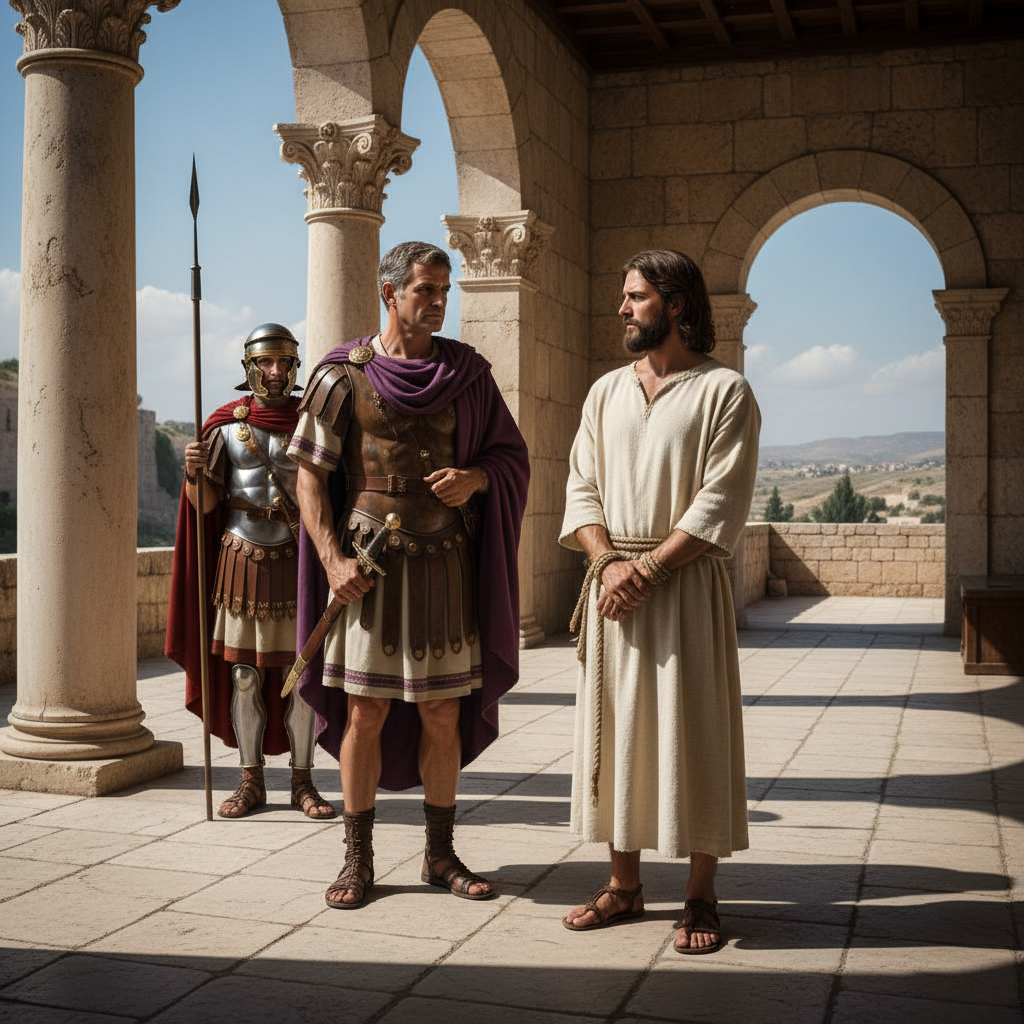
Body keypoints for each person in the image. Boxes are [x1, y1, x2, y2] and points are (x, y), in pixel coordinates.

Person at [287, 241, 529, 909]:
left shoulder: (469, 375)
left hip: (446, 562)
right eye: (425, 289)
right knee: (365, 711)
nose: (438, 301)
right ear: (390, 293)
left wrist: (479, 477)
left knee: (443, 713)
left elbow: (511, 455)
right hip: (370, 567)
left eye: (443, 290)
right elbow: (309, 477)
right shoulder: (343, 374)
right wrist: (333, 559)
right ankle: (357, 858)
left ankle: (439, 854)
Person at [559, 249, 760, 954]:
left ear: (677, 305)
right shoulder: (605, 390)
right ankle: (623, 884)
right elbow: (581, 485)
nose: (623, 308)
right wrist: (609, 562)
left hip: (685, 588)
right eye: (624, 295)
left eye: (637, 296)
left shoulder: (725, 391)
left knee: (694, 732)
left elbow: (721, 498)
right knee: (617, 736)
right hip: (614, 588)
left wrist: (645, 568)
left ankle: (700, 894)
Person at [166, 323, 335, 820]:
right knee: (243, 676)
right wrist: (192, 472)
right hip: (240, 558)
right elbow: (208, 504)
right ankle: (250, 779)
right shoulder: (225, 427)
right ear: (250, 368)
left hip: (298, 558)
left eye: (284, 362)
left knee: (296, 672)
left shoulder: (313, 421)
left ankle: (303, 782)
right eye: (266, 363)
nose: (276, 372)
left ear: (294, 366)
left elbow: (331, 491)